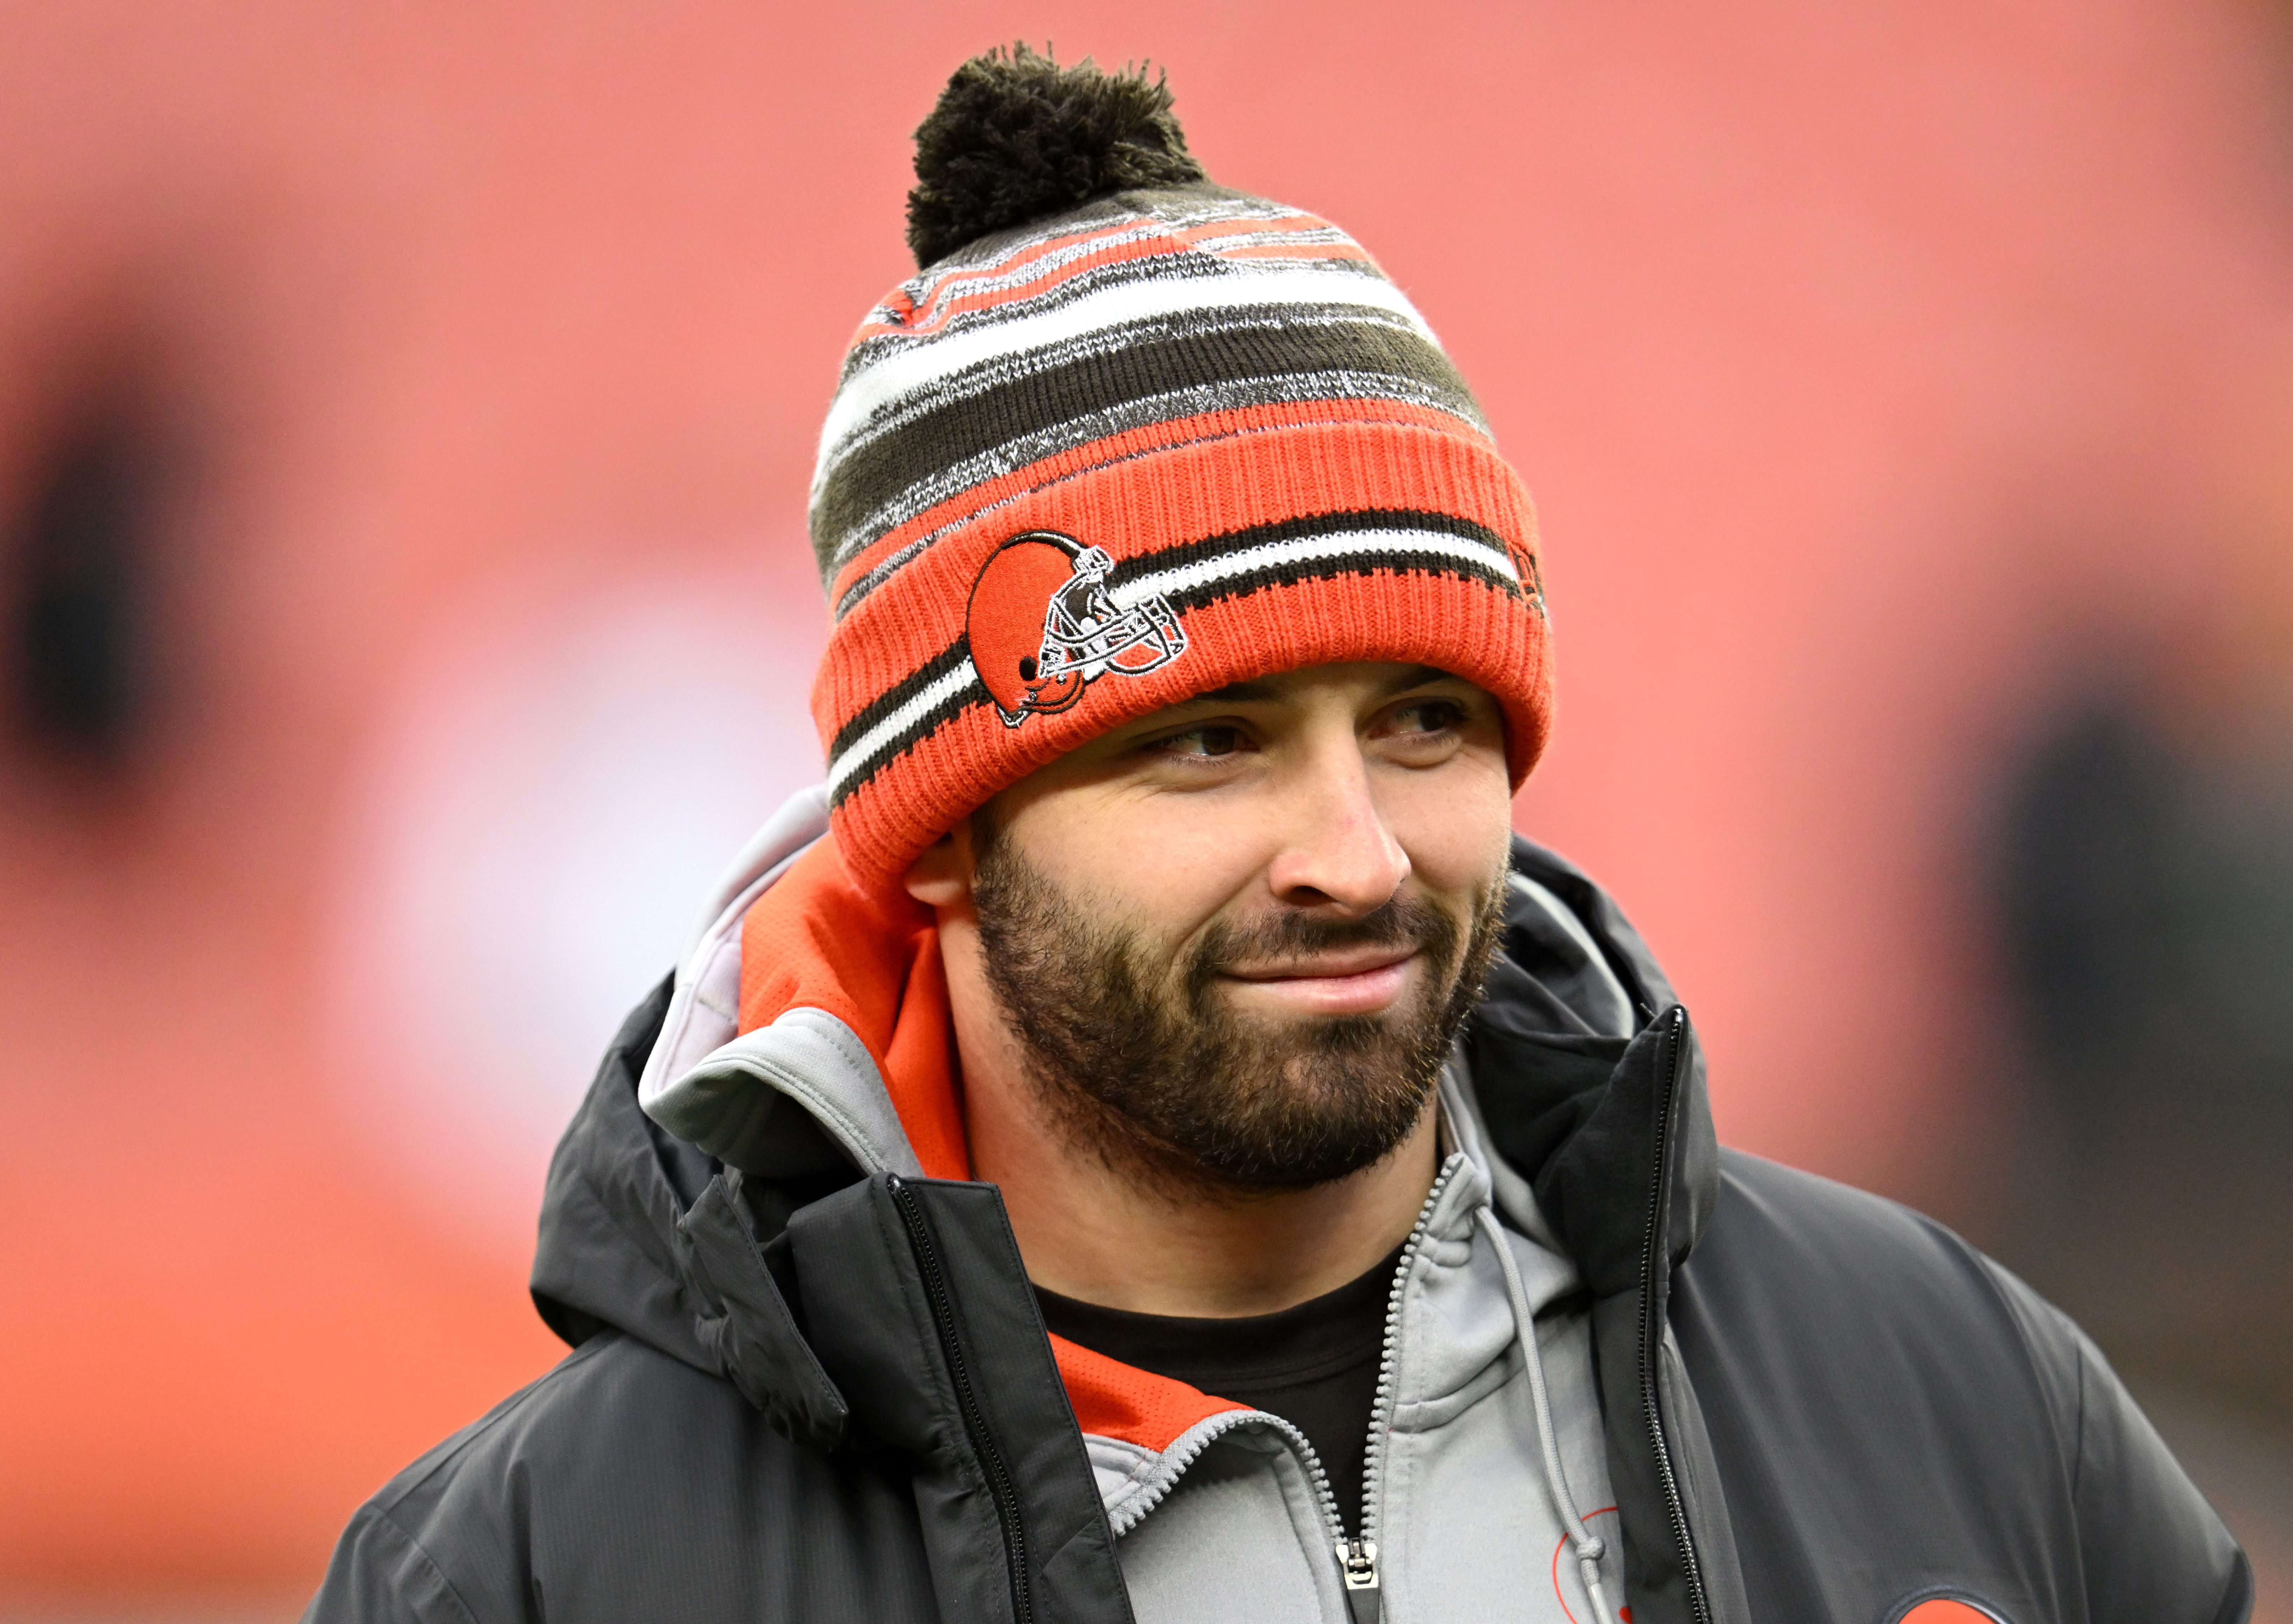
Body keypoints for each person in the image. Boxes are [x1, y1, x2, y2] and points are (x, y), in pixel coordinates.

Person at [305, 47, 2251, 1624]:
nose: (1356, 852)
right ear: (939, 834)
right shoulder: (542, 1575)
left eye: (1423, 724)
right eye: (1210, 744)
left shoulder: (1956, 1405)